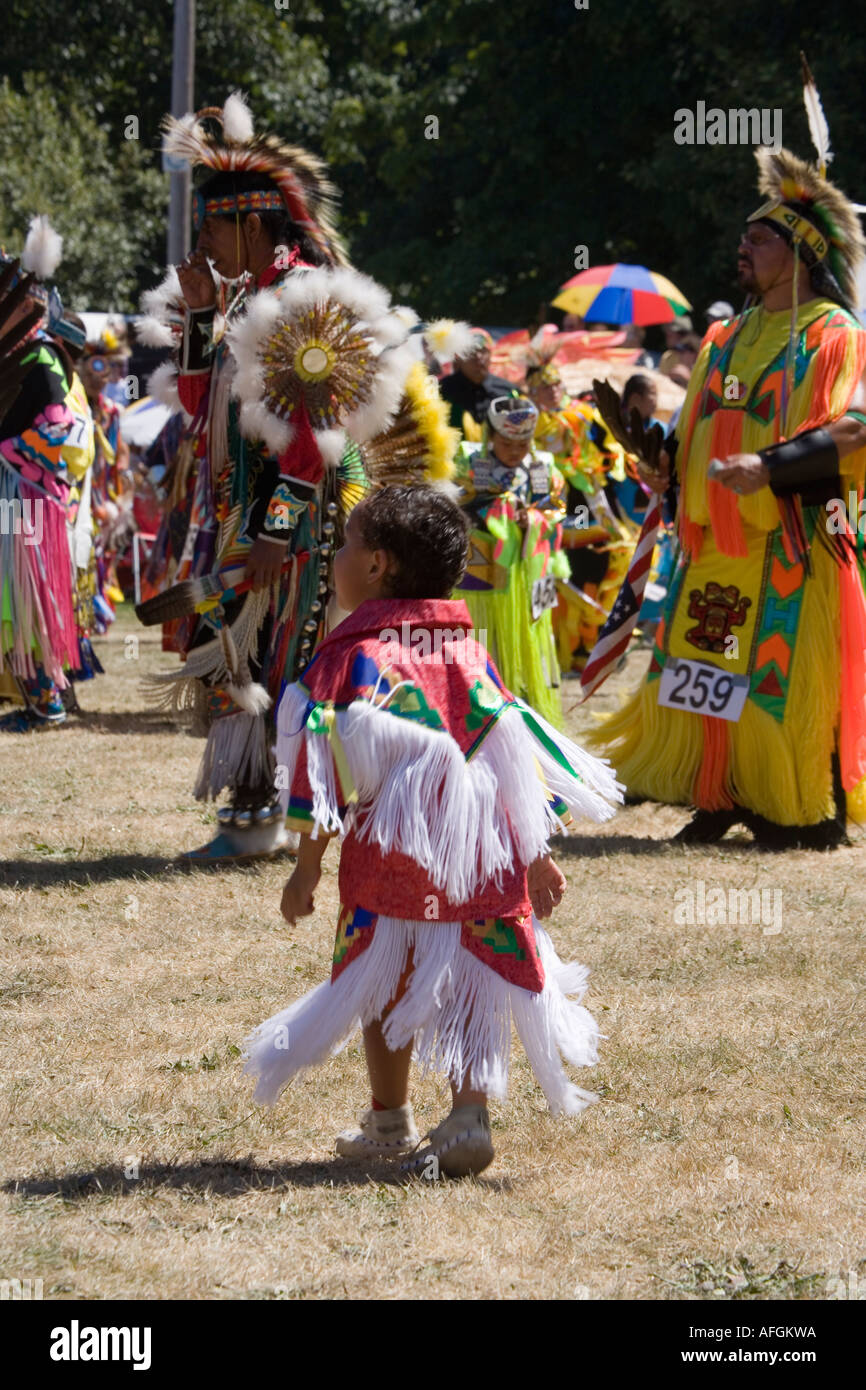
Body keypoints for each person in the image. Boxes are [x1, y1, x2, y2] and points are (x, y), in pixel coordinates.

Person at [242, 484, 621, 1176]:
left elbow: (324, 774)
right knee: (474, 979)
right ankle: (469, 1111)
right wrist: (533, 855)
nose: (338, 555)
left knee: (383, 981)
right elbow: (507, 753)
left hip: (388, 865)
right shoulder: (465, 653)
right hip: (480, 860)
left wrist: (307, 868)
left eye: (348, 543)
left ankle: (389, 1122)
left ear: (379, 565)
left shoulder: (351, 655)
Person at [590, 146, 866, 848]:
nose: (742, 248)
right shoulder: (726, 334)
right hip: (715, 542)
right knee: (705, 669)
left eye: (758, 238)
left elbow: (855, 427)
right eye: (745, 237)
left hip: (791, 540)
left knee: (782, 676)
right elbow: (697, 430)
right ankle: (719, 794)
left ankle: (800, 808)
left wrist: (770, 467)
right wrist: (659, 459)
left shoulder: (834, 334)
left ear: (801, 253)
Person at [142, 92, 352, 862]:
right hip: (243, 513)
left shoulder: (298, 297)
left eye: (210, 229)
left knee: (282, 655)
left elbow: (315, 424)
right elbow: (202, 409)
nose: (201, 244)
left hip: (290, 519)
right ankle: (258, 812)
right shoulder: (244, 300)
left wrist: (277, 529)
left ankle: (277, 816)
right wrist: (200, 311)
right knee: (243, 653)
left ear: (253, 225)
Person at [0, 218, 78, 730]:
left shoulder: (43, 358)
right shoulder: (18, 357)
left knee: (33, 594)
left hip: (30, 497)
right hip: (15, 494)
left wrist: (10, 451)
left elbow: (61, 425)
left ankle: (47, 700)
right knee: (13, 592)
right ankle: (33, 696)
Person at [453, 395, 567, 726]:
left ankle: (530, 706)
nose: (516, 450)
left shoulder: (542, 465)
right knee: (485, 639)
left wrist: (530, 518)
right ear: (490, 437)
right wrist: (498, 511)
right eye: (507, 442)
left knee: (534, 639)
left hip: (532, 572)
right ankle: (483, 704)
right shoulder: (471, 461)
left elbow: (558, 509)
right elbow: (458, 504)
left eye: (523, 441)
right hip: (484, 570)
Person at [437, 328, 514, 437]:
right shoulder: (442, 391)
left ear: (491, 355)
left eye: (483, 351)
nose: (478, 357)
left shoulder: (507, 392)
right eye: (471, 351)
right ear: (459, 357)